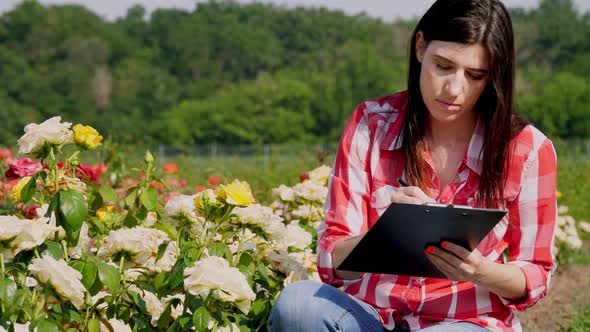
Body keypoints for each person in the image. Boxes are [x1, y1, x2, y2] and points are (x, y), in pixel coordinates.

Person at [267, 0, 557, 331]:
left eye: (475, 75)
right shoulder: (371, 125)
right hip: (372, 316)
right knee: (298, 304)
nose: (454, 89)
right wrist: (386, 235)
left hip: (465, 322)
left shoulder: (527, 149)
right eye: (443, 66)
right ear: (420, 47)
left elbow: (536, 273)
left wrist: (481, 272)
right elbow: (332, 261)